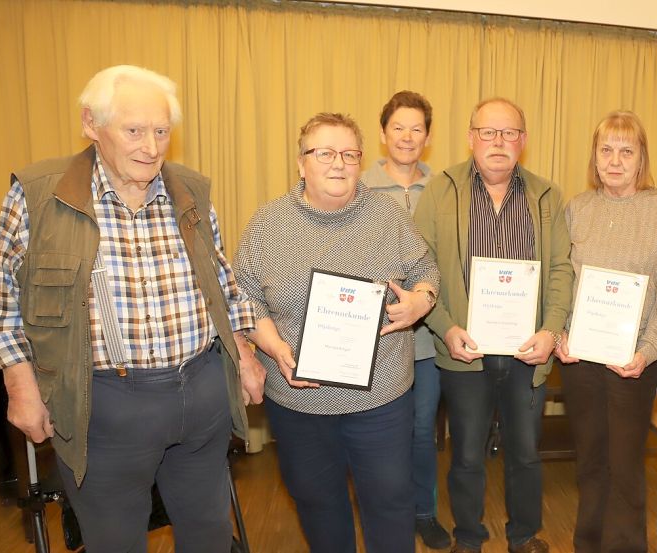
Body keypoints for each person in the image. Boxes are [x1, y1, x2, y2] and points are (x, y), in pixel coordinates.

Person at [0, 65, 265, 552]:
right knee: (115, 542)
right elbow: (3, 306)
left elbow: (221, 282)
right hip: (104, 407)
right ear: (91, 125)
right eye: (134, 130)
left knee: (209, 534)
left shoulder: (190, 191)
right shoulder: (38, 195)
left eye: (161, 131)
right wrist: (21, 387)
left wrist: (243, 353)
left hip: (200, 392)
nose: (151, 147)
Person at [232, 112, 439, 553]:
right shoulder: (268, 223)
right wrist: (273, 346)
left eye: (349, 153)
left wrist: (422, 299)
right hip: (299, 400)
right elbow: (244, 297)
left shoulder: (388, 216)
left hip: (380, 399)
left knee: (390, 501)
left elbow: (425, 269)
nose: (338, 163)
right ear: (301, 162)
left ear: (361, 160)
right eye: (324, 152)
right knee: (317, 501)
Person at [413, 98, 573, 553]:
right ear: (471, 137)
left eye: (509, 133)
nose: (499, 142)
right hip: (465, 351)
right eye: (489, 132)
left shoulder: (547, 195)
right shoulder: (441, 191)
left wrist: (552, 331)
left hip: (528, 351)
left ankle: (524, 535)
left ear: (523, 141)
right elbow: (419, 266)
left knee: (525, 452)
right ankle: (469, 536)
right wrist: (444, 328)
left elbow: (561, 269)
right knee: (465, 455)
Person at [554, 110, 657, 552]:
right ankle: (587, 544)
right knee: (590, 462)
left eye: (626, 151)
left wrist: (648, 351)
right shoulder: (577, 207)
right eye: (606, 150)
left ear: (641, 158)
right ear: (594, 156)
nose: (615, 160)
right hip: (580, 359)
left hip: (633, 362)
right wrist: (561, 336)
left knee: (625, 465)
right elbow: (562, 278)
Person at [360, 90, 450, 549]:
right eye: (398, 127)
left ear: (428, 137)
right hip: (372, 337)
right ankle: (383, 514)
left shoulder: (444, 189)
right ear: (382, 132)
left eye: (417, 128)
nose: (407, 137)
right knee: (378, 436)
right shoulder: (356, 186)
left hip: (427, 339)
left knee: (421, 430)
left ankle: (424, 513)